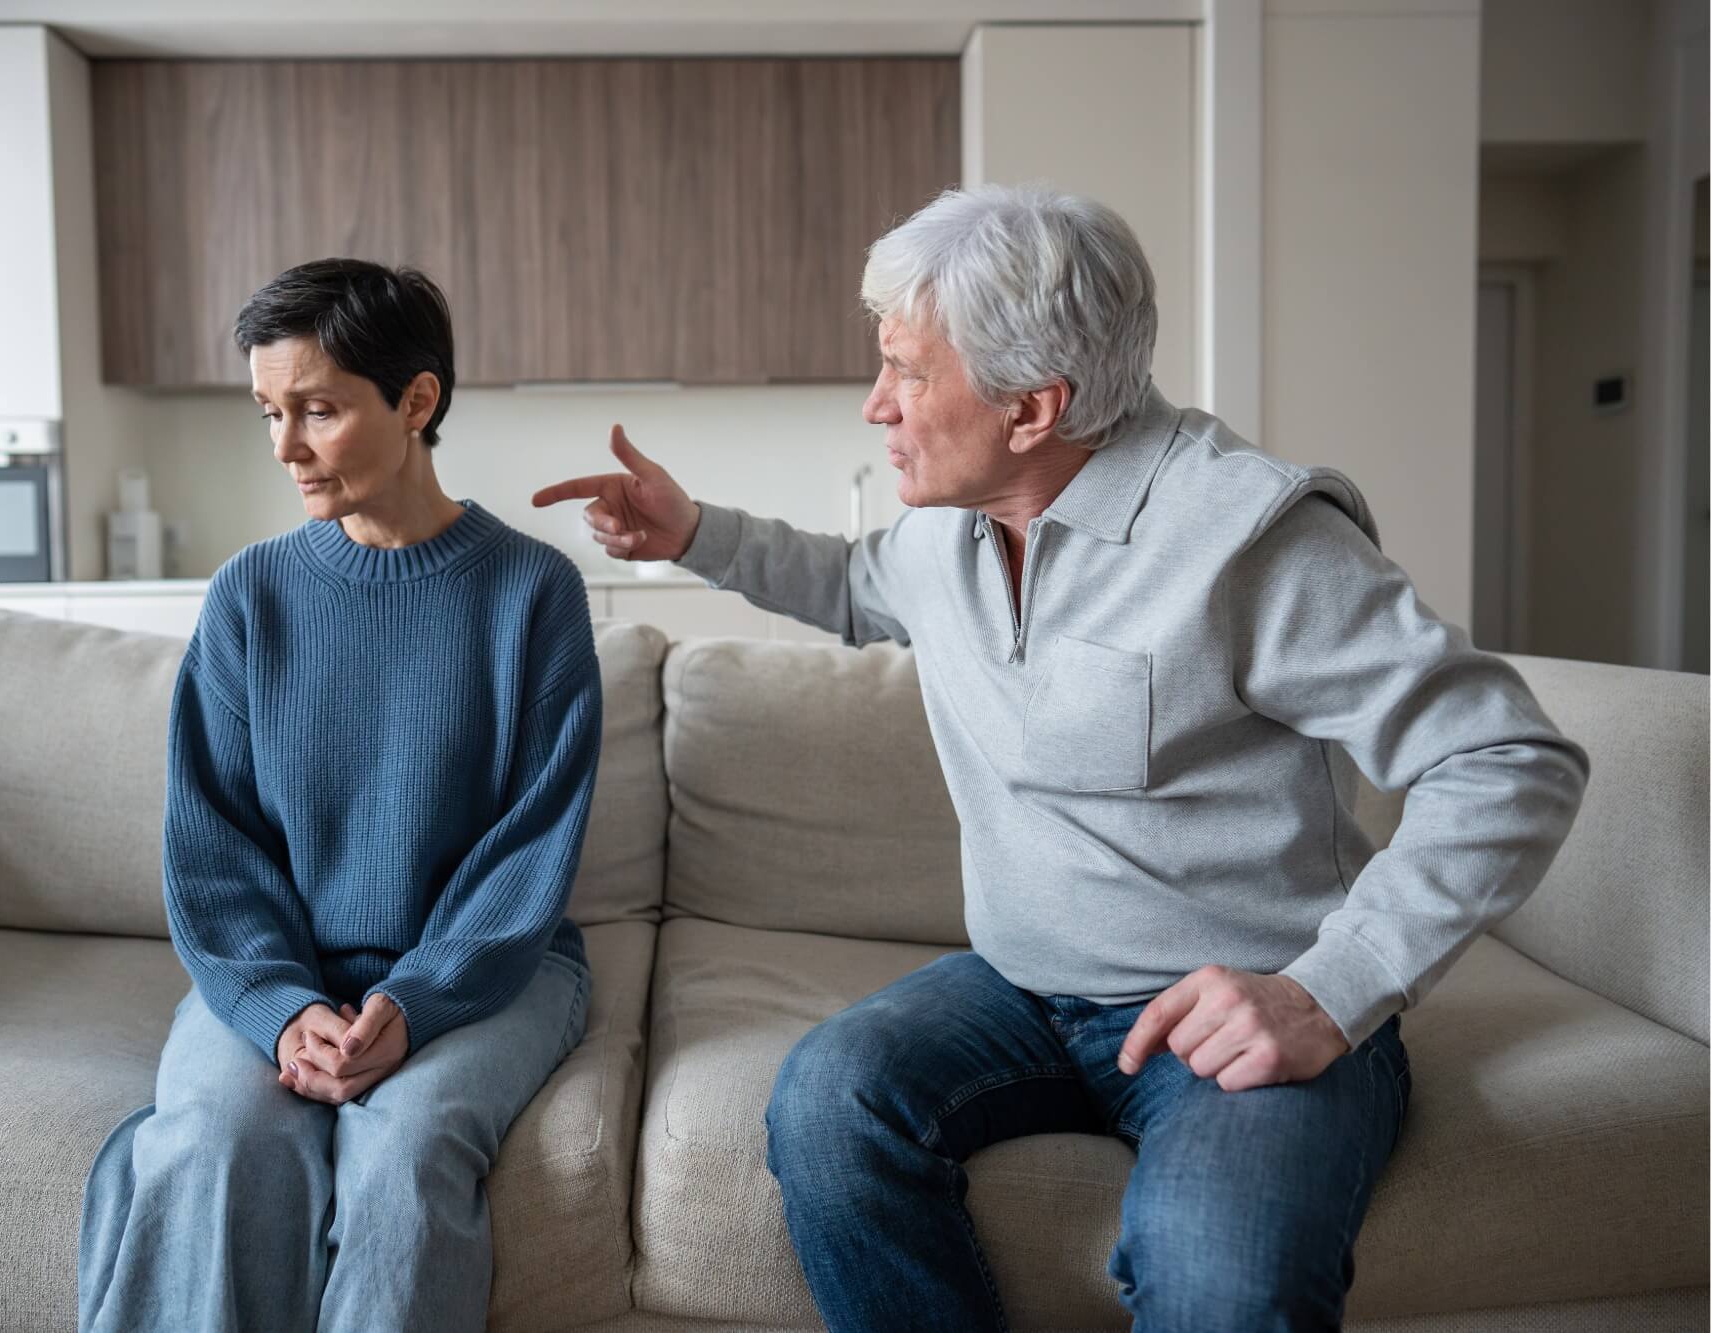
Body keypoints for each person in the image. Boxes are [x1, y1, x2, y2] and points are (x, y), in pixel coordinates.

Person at [532, 183, 1588, 1331]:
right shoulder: (949, 526)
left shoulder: (1249, 539)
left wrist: (1325, 993)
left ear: (1032, 408)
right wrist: (691, 533)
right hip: (1021, 987)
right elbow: (849, 585)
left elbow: (1506, 758)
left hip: (1234, 998)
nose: (875, 405)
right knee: (825, 1105)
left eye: (906, 372)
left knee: (1222, 1279)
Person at [80, 258, 602, 1333]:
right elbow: (213, 849)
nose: (283, 447)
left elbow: (529, 849)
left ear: (417, 402)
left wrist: (413, 1005)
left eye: (317, 409)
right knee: (224, 1142)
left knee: (406, 1151)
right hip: (282, 979)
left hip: (488, 972)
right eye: (270, 411)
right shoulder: (249, 596)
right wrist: (279, 1009)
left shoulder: (532, 592)